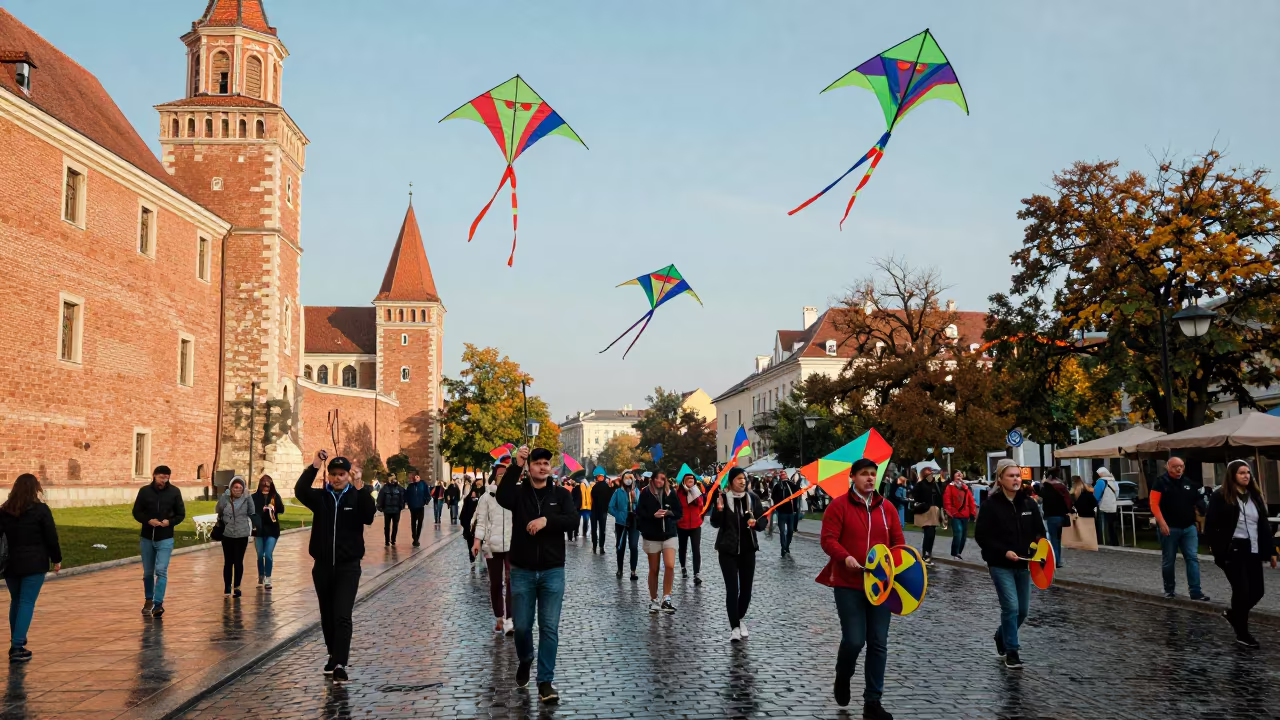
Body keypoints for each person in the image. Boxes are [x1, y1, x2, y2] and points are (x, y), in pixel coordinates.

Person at [817, 459, 903, 718]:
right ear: (852, 477)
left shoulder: (887, 508)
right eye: (864, 474)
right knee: (855, 640)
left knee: (878, 642)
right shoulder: (838, 506)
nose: (869, 478)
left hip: (880, 586)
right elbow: (828, 539)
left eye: (873, 474)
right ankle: (843, 674)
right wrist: (845, 557)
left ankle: (872, 702)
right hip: (848, 583)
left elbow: (898, 542)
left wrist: (899, 565)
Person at [495, 446, 578, 704]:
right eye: (537, 463)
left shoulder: (561, 495)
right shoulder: (519, 494)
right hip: (522, 571)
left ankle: (545, 682)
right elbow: (502, 496)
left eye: (546, 463)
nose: (542, 467)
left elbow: (572, 521)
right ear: (529, 467)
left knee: (549, 627)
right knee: (521, 626)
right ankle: (526, 658)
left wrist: (546, 521)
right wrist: (515, 465)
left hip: (553, 570)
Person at [294, 451, 376, 682]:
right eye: (334, 474)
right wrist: (315, 465)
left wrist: (361, 486)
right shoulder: (321, 498)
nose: (338, 478)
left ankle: (340, 662)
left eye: (342, 474)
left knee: (342, 614)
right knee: (327, 615)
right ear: (328, 475)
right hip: (322, 566)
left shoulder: (355, 497)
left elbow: (369, 515)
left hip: (348, 566)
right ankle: (332, 653)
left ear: (348, 476)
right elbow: (300, 490)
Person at [975, 459, 1046, 669]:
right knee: (1011, 607)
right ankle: (1012, 651)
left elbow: (1039, 531)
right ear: (1000, 479)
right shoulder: (990, 505)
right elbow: (982, 536)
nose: (1016, 479)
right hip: (1000, 564)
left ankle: (1002, 636)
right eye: (1011, 476)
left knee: (1022, 610)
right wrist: (1003, 551)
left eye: (1018, 476)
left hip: (1024, 564)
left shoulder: (1029, 503)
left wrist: (1038, 548)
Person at [1205, 459, 1276, 649]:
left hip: (1253, 548)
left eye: (1248, 473)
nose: (1246, 476)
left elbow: (1263, 526)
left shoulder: (1254, 495)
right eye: (1241, 473)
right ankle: (1243, 634)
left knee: (1257, 591)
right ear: (1232, 475)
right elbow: (1211, 525)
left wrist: (1271, 551)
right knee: (1242, 591)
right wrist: (1218, 549)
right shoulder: (1221, 496)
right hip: (1233, 549)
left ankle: (1234, 615)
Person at [0, 473, 61, 662]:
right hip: (35, 562)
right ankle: (17, 646)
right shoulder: (41, 510)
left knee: (16, 601)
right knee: (27, 602)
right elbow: (51, 536)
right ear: (35, 489)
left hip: (10, 563)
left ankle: (17, 639)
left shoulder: (4, 511)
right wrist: (56, 559)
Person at [709, 467, 763, 642]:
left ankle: (738, 619)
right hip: (727, 550)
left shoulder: (752, 498)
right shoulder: (722, 498)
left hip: (748, 550)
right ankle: (734, 627)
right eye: (738, 478)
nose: (742, 481)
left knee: (746, 590)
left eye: (744, 478)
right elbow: (715, 523)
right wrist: (718, 509)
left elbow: (763, 522)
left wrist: (757, 523)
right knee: (732, 589)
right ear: (731, 481)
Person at [1150, 457, 1210, 601]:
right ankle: (1169, 589)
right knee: (1169, 559)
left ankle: (1196, 591)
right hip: (1169, 527)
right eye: (1175, 466)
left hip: (1188, 527)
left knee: (1192, 558)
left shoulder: (1188, 483)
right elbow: (1154, 504)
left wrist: (1201, 507)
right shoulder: (1160, 482)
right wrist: (1162, 523)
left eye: (1181, 466)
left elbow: (1197, 500)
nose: (1179, 469)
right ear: (1168, 467)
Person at [132, 465, 185, 618]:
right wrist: (148, 520)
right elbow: (136, 512)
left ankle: (158, 603)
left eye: (166, 477)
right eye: (161, 477)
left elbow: (181, 514)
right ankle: (149, 599)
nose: (164, 480)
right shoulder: (144, 491)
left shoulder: (174, 492)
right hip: (147, 537)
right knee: (148, 571)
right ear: (154, 476)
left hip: (165, 537)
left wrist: (170, 522)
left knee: (161, 570)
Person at [473, 467, 515, 635]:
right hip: (491, 545)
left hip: (512, 545)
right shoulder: (486, 497)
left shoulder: (515, 495)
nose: (502, 478)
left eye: (506, 475)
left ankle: (510, 619)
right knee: (496, 582)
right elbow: (481, 521)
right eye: (500, 475)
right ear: (494, 478)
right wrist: (477, 540)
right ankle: (499, 617)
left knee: (512, 581)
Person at [637, 471, 682, 614]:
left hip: (669, 534)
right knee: (654, 569)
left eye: (662, 479)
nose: (659, 481)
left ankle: (666, 598)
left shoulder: (671, 493)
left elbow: (679, 512)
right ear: (652, 479)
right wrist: (653, 515)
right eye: (657, 478)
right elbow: (640, 513)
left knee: (669, 565)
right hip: (652, 535)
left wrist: (668, 513)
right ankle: (654, 599)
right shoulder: (645, 493)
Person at [216, 476, 259, 598]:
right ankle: (227, 586)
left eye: (240, 487)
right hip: (227, 533)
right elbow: (218, 509)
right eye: (235, 487)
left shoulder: (247, 497)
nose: (238, 490)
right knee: (228, 561)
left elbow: (252, 511)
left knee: (238, 561)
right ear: (231, 487)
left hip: (242, 534)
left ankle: (237, 586)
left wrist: (255, 524)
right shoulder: (225, 497)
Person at [251, 474, 284, 589]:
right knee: (260, 555)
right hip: (259, 530)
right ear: (260, 486)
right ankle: (261, 575)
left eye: (268, 486)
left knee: (268, 554)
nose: (266, 488)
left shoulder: (275, 496)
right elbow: (250, 512)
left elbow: (282, 510)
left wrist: (274, 507)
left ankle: (268, 578)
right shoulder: (254, 497)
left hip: (272, 530)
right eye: (263, 485)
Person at [609, 471, 643, 580]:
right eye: (626, 478)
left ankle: (633, 571)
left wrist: (635, 499)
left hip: (634, 523)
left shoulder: (637, 491)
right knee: (620, 547)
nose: (628, 480)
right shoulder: (618, 492)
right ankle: (620, 569)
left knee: (633, 546)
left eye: (630, 478)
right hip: (621, 523)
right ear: (623, 480)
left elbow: (641, 507)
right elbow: (610, 507)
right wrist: (618, 515)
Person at [676, 470, 706, 586]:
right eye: (688, 480)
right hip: (682, 525)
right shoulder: (679, 493)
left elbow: (701, 506)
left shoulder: (696, 492)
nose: (690, 482)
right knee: (682, 548)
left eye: (692, 480)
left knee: (696, 549)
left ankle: (696, 573)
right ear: (684, 482)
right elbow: (678, 507)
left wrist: (694, 493)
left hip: (695, 525)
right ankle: (683, 567)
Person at [1039, 471, 1072, 569]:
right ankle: (1058, 560)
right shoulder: (1061, 487)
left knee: (1053, 539)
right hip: (1061, 516)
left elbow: (1040, 497)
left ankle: (1055, 561)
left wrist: (1043, 483)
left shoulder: (1047, 488)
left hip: (1051, 516)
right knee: (1057, 539)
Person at [911, 468, 943, 563]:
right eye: (930, 474)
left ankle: (929, 552)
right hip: (925, 510)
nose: (932, 476)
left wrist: (940, 508)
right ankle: (925, 554)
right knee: (928, 532)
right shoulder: (920, 484)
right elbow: (915, 496)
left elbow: (939, 497)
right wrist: (922, 502)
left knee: (932, 533)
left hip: (934, 511)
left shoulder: (935, 484)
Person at [942, 470, 975, 560]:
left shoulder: (966, 488)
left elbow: (971, 501)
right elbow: (947, 499)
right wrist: (949, 511)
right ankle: (955, 553)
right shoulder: (950, 487)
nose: (959, 475)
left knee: (964, 536)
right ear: (953, 477)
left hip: (965, 515)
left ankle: (959, 553)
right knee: (958, 533)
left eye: (960, 474)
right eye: (957, 474)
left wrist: (973, 513)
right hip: (955, 514)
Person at [771, 472, 801, 558]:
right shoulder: (777, 486)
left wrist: (799, 478)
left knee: (790, 531)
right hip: (781, 512)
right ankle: (783, 547)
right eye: (782, 474)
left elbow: (797, 490)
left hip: (790, 512)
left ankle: (787, 546)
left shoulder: (791, 484)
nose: (783, 474)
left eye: (784, 473)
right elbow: (774, 496)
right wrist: (779, 505)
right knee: (782, 531)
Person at [459, 476, 485, 569]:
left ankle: (482, 560)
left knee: (482, 543)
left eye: (480, 485)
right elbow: (463, 514)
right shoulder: (468, 500)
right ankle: (472, 558)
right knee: (470, 542)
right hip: (470, 525)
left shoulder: (484, 497)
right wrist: (466, 525)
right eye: (477, 485)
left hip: (480, 523)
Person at [377, 473, 406, 547]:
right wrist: (380, 506)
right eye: (391, 478)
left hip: (396, 510)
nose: (392, 479)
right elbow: (380, 497)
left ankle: (393, 539)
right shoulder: (385, 488)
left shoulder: (399, 488)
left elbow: (403, 496)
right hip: (387, 509)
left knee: (395, 526)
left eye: (393, 478)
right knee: (387, 526)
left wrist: (402, 505)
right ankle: (387, 540)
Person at [1092, 467, 1120, 546]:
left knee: (1104, 526)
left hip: (1103, 506)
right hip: (1113, 506)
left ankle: (1103, 541)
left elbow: (1096, 495)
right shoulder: (1114, 481)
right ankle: (1114, 541)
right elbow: (1117, 494)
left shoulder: (1100, 482)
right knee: (1112, 525)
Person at [589, 468, 613, 554]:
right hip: (603, 511)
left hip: (594, 510)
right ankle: (601, 547)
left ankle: (595, 546)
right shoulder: (607, 487)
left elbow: (591, 498)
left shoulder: (594, 487)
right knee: (602, 529)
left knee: (594, 529)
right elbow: (610, 498)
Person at [404, 470, 429, 547]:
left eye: (417, 477)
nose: (415, 478)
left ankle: (417, 537)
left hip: (420, 506)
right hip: (413, 507)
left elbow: (427, 493)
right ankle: (415, 538)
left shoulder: (423, 484)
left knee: (420, 522)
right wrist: (408, 503)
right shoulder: (410, 486)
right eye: (414, 477)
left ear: (419, 477)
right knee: (413, 522)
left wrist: (425, 501)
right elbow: (406, 495)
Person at [577, 477, 592, 544]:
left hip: (583, 506)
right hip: (586, 507)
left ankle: (578, 532)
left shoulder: (588, 487)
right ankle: (583, 533)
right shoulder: (588, 486)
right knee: (584, 521)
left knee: (580, 520)